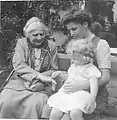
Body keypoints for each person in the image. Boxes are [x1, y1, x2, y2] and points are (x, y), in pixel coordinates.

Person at [54, 9, 111, 120]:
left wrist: (80, 85)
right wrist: (64, 75)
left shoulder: (101, 44)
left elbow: (105, 78)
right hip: (74, 95)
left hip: (94, 96)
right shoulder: (75, 45)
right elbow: (78, 71)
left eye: (74, 29)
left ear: (85, 24)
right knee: (56, 113)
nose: (71, 33)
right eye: (69, 30)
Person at [0, 17, 59, 119]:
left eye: (42, 34)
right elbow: (19, 65)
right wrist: (38, 76)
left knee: (36, 103)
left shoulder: (52, 46)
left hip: (43, 84)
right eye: (35, 35)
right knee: (6, 100)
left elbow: (54, 69)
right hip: (20, 80)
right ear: (27, 35)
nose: (39, 37)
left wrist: (40, 81)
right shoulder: (21, 43)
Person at [48, 39, 101, 120]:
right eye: (72, 58)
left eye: (75, 59)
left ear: (86, 58)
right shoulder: (74, 66)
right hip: (66, 94)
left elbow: (94, 84)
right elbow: (71, 76)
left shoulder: (90, 69)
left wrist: (92, 98)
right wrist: (60, 73)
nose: (72, 61)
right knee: (55, 112)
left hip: (79, 96)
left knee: (75, 113)